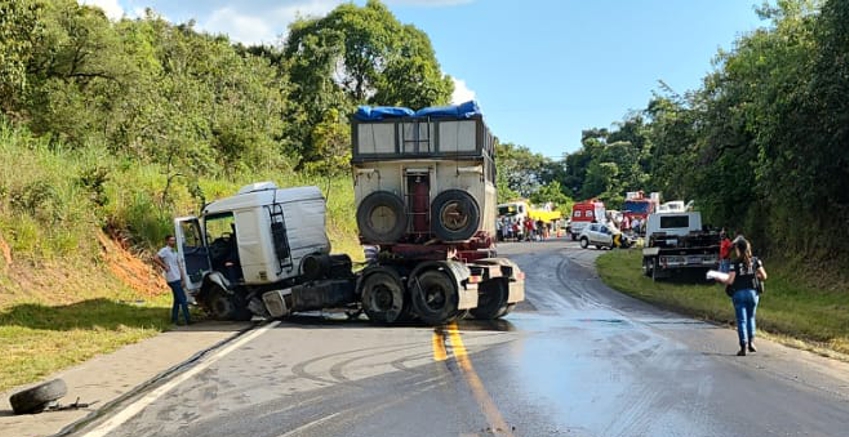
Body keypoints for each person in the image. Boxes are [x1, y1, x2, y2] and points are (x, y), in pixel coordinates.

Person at [716, 238, 767, 356]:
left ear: (738, 249)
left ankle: (743, 346)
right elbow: (764, 276)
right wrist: (754, 277)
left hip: (739, 293)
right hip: (753, 293)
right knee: (751, 318)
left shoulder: (734, 263)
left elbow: (731, 280)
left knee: (741, 320)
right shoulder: (755, 261)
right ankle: (751, 343)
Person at [155, 235, 192, 325]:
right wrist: (164, 266)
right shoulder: (165, 250)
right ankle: (188, 319)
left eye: (174, 240)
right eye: (171, 240)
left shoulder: (174, 252)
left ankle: (174, 319)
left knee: (177, 300)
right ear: (167, 241)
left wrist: (183, 278)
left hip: (177, 277)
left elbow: (179, 265)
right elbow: (155, 257)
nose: (173, 242)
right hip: (172, 278)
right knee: (183, 299)